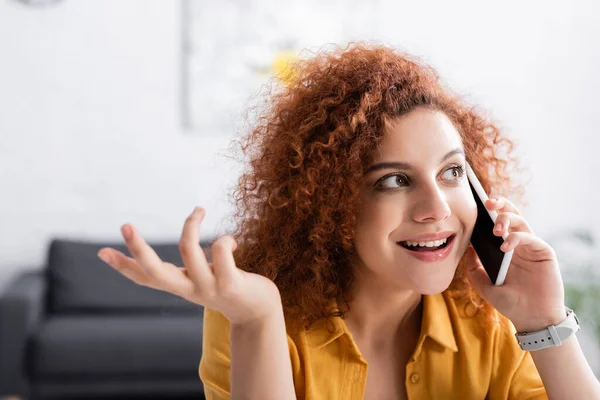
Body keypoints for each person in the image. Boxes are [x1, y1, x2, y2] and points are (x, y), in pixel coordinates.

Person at [96, 43, 600, 399]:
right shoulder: (257, 309)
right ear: (332, 204)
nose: (438, 208)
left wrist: (544, 323)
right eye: (394, 181)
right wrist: (256, 322)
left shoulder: (490, 320)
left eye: (450, 172)